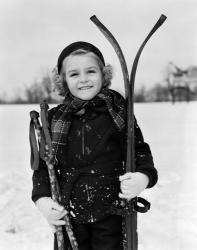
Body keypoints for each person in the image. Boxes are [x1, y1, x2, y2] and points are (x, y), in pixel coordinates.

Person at [32, 41, 158, 250]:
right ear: (62, 81)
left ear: (103, 75)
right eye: (74, 74)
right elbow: (44, 167)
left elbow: (140, 151)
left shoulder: (118, 112)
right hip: (69, 213)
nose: (83, 79)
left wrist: (143, 177)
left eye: (90, 71)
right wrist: (42, 200)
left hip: (112, 211)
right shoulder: (54, 119)